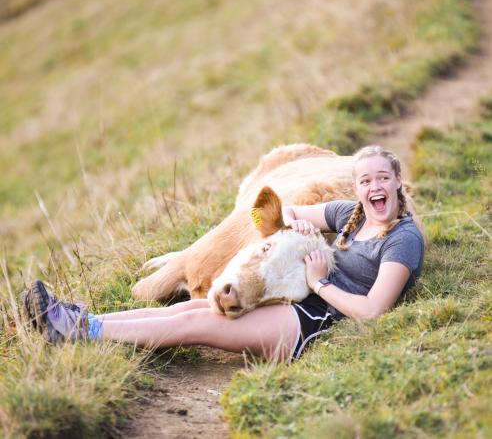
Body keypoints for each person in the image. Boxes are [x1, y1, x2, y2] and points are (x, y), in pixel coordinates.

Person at [22, 145, 424, 361]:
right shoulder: (348, 214)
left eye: (382, 179)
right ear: (357, 188)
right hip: (299, 298)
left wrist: (320, 282)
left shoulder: (403, 239)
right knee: (188, 311)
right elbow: (282, 211)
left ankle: (76, 332)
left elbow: (373, 310)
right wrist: (298, 222)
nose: (375, 188)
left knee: (200, 326)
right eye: (365, 180)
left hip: (316, 320)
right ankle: (80, 319)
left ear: (397, 183)